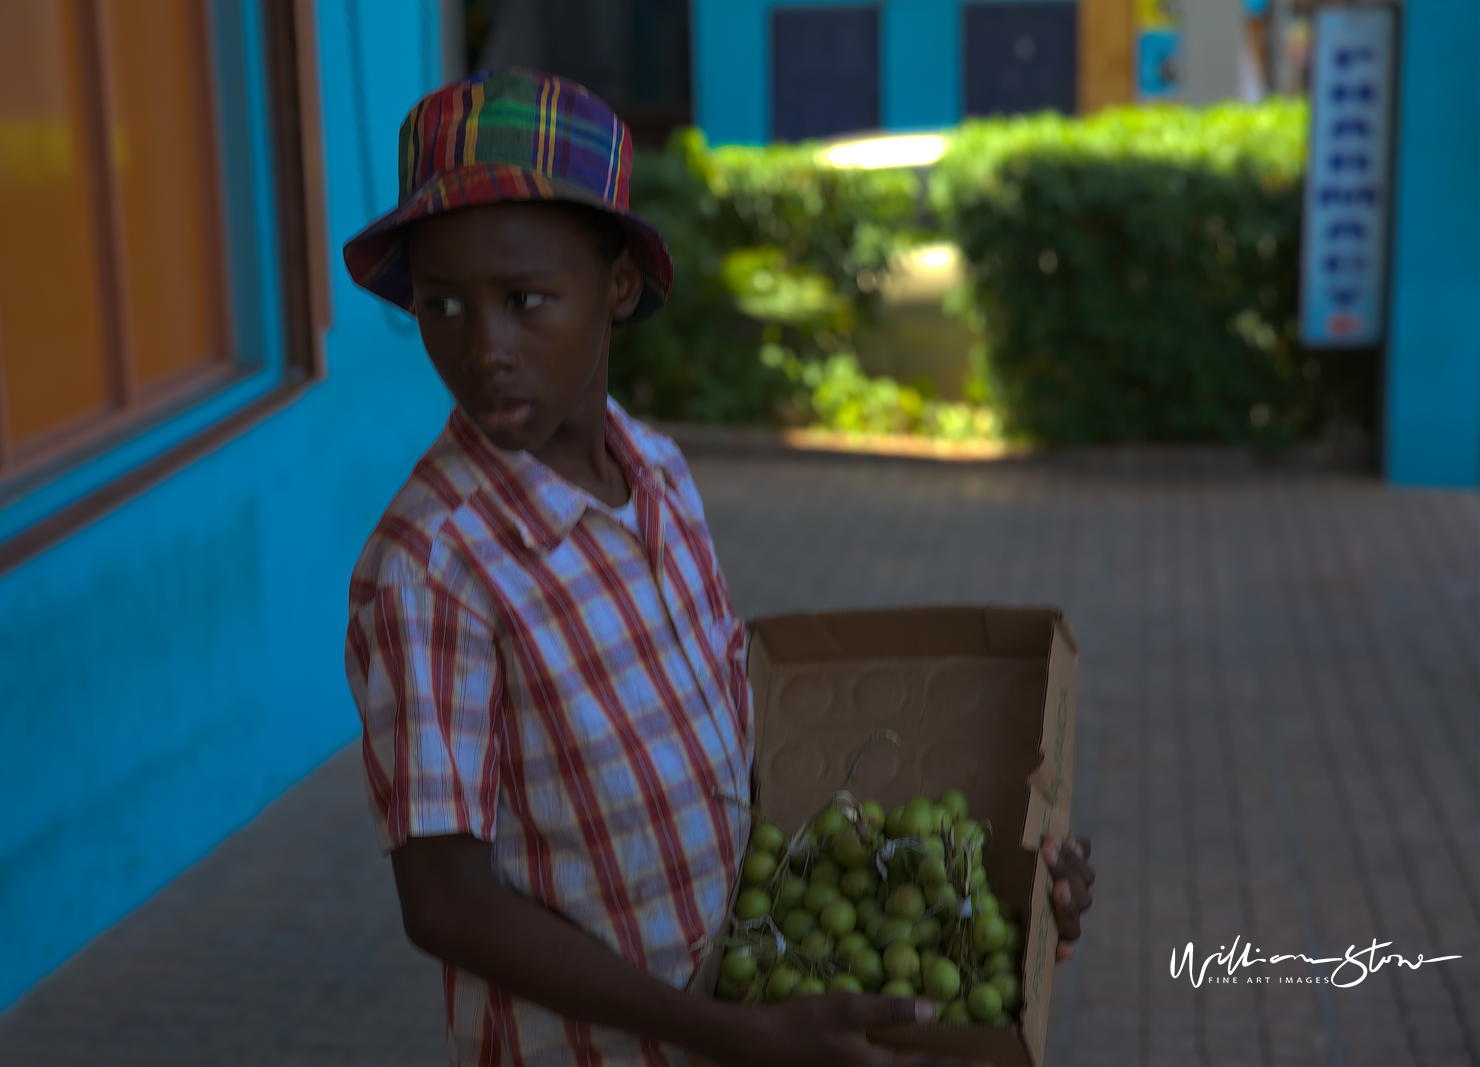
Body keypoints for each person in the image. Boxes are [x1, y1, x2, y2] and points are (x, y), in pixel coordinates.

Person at [341, 69, 1095, 1067]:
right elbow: (446, 902)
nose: (485, 347)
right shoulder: (434, 565)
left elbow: (729, 753)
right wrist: (729, 1031)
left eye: (525, 299)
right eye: (442, 306)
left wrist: (984, 884)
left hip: (740, 1008)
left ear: (614, 285)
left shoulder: (657, 473)